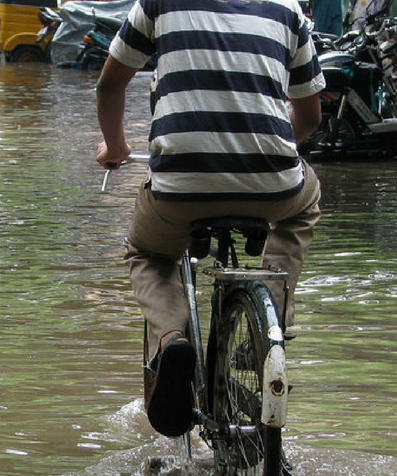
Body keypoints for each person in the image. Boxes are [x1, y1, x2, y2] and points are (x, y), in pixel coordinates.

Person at [95, 0, 325, 438]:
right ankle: (273, 314)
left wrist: (116, 147)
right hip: (272, 184)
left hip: (181, 187)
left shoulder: (159, 3)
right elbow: (310, 116)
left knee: (148, 253)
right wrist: (263, 152)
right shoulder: (288, 9)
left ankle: (171, 340)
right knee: (304, 206)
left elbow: (110, 85)